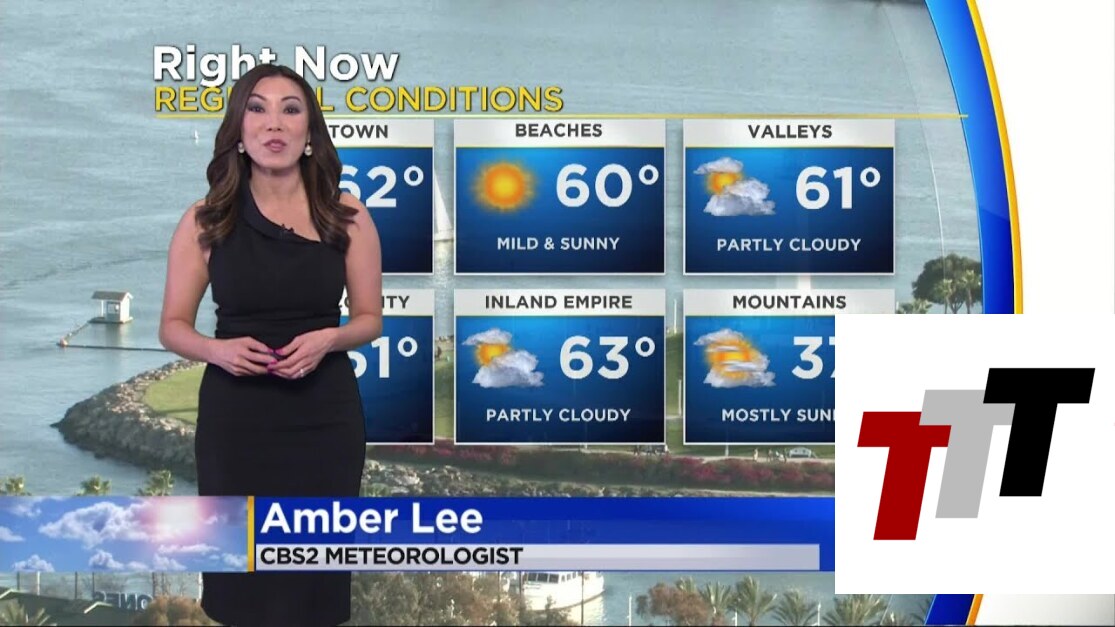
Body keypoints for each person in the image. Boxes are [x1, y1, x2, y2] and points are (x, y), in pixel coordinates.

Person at [158, 63, 382, 626]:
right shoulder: (205, 221)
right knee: (242, 587)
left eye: (291, 109)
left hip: (325, 422)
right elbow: (173, 326)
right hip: (238, 424)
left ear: (310, 133)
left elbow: (369, 319)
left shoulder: (348, 216)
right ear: (239, 129)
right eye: (257, 108)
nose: (273, 123)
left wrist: (331, 339)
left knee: (315, 588)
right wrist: (218, 351)